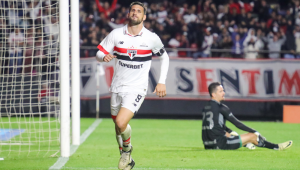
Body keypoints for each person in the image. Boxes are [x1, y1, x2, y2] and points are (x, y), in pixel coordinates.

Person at [96, 1, 169, 169]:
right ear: (128, 14)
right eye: (133, 10)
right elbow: (99, 52)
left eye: (139, 11)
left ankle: (127, 151)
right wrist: (103, 57)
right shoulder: (116, 34)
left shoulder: (151, 38)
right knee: (118, 127)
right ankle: (127, 158)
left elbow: (165, 57)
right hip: (117, 87)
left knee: (121, 123)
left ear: (144, 16)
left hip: (137, 88)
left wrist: (161, 81)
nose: (135, 13)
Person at [201, 82, 293, 150]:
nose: (223, 93)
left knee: (228, 134)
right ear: (213, 94)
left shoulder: (206, 107)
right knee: (252, 136)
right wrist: (255, 131)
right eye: (221, 91)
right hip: (219, 144)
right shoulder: (222, 107)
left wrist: (229, 131)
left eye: (223, 90)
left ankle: (247, 144)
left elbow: (215, 125)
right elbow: (237, 123)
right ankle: (276, 147)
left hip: (207, 144)